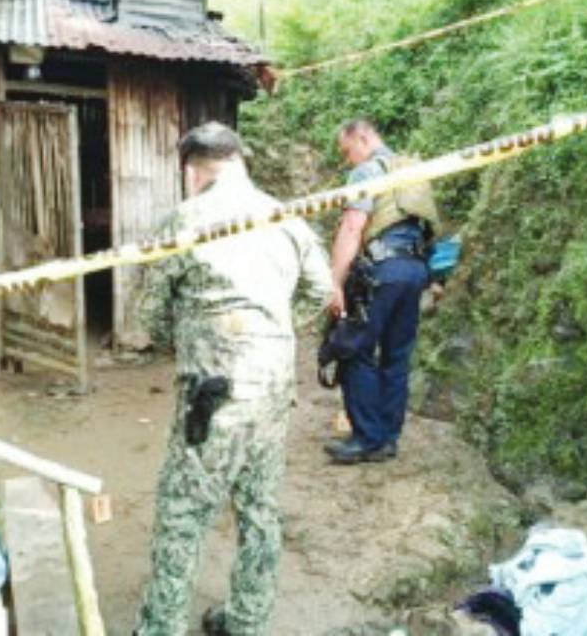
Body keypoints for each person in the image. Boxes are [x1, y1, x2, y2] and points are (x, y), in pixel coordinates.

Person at [131, 122, 334, 636]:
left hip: (211, 393)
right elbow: (318, 291)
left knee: (182, 511)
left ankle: (161, 629)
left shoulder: (184, 218)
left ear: (191, 171)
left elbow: (150, 313)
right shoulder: (286, 217)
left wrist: (191, 341)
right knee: (260, 510)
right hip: (271, 390)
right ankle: (247, 621)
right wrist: (271, 336)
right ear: (240, 159)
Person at [325, 119, 441, 464]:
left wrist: (334, 282)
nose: (349, 161)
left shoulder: (366, 173)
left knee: (353, 349)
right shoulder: (412, 171)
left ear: (362, 137)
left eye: (348, 151)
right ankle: (388, 438)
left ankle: (366, 438)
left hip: (382, 272)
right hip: (415, 270)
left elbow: (352, 227)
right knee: (396, 356)